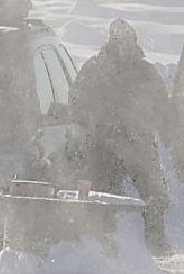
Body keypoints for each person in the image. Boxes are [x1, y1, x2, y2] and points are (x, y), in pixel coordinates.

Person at [69, 19, 172, 255]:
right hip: (102, 145)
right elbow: (76, 104)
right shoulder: (95, 69)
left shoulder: (144, 72)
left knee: (154, 193)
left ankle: (156, 243)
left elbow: (161, 108)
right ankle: (101, 244)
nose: (124, 45)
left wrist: (143, 124)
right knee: (100, 196)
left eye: (128, 40)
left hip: (137, 144)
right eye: (120, 40)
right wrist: (98, 126)